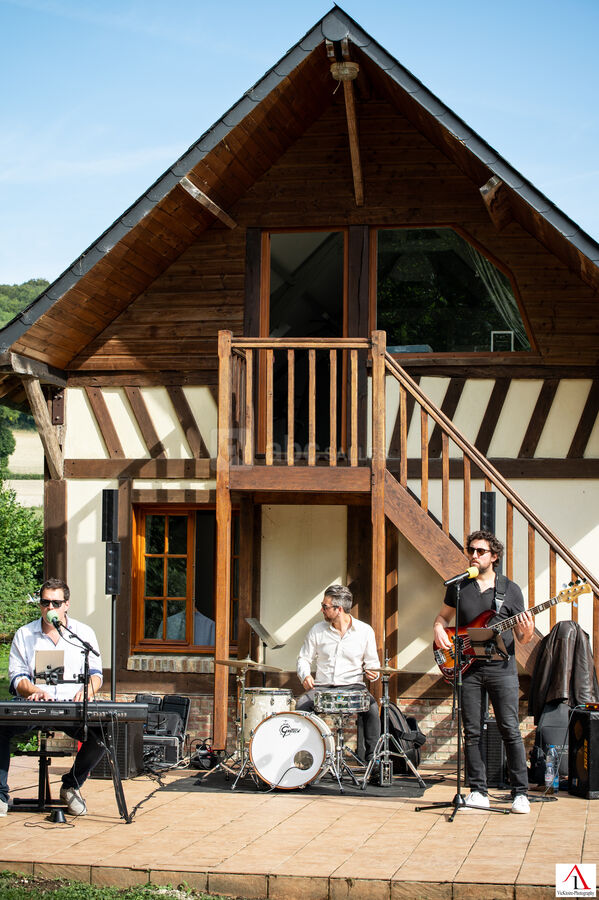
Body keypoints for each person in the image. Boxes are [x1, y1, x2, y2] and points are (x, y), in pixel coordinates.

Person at [433, 531, 535, 814]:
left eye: (480, 551)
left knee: (510, 731)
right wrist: (439, 628)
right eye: (471, 550)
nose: (474, 555)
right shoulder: (459, 587)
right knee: (473, 732)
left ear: (494, 556)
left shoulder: (510, 590)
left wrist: (526, 631)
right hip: (468, 670)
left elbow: (523, 639)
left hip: (502, 670)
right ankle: (478, 791)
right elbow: (443, 617)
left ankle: (520, 794)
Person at [0, 578, 105, 816]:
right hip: (34, 706)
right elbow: (16, 677)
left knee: (100, 734)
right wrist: (33, 690)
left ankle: (71, 786)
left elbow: (96, 675)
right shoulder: (25, 634)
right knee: (0, 727)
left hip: (71, 707)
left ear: (66, 605)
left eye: (56, 603)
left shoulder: (83, 633)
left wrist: (86, 691)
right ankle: (0, 794)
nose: (50, 608)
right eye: (45, 602)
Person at [296, 584, 381, 763]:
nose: (322, 610)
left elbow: (373, 664)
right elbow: (304, 658)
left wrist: (374, 673)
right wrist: (305, 675)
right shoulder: (317, 630)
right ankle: (306, 756)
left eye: (325, 607)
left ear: (339, 609)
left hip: (353, 687)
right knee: (302, 705)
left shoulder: (365, 631)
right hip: (323, 687)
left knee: (372, 707)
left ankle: (373, 759)